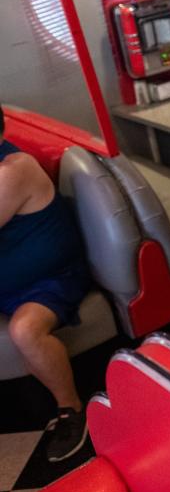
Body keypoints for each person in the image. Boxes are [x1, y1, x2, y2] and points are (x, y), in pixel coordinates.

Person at [0, 103, 91, 462]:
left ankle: (71, 408)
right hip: (9, 280)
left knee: (25, 330)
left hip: (52, 278)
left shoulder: (13, 170)